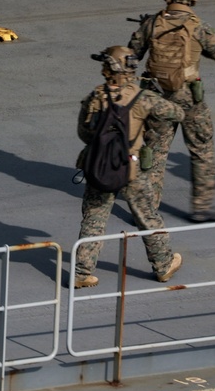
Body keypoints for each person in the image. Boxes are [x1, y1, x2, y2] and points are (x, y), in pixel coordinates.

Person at [74, 46, 186, 288]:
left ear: (107, 69)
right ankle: (163, 264)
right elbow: (177, 114)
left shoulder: (95, 97)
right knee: (147, 216)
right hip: (131, 167)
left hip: (98, 166)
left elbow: (84, 133)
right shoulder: (141, 98)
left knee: (94, 218)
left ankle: (82, 272)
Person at [128, 0, 215, 223]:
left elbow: (132, 55)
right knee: (201, 147)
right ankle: (202, 206)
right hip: (188, 95)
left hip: (156, 94)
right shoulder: (197, 25)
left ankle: (146, 208)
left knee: (155, 151)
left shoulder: (152, 23)